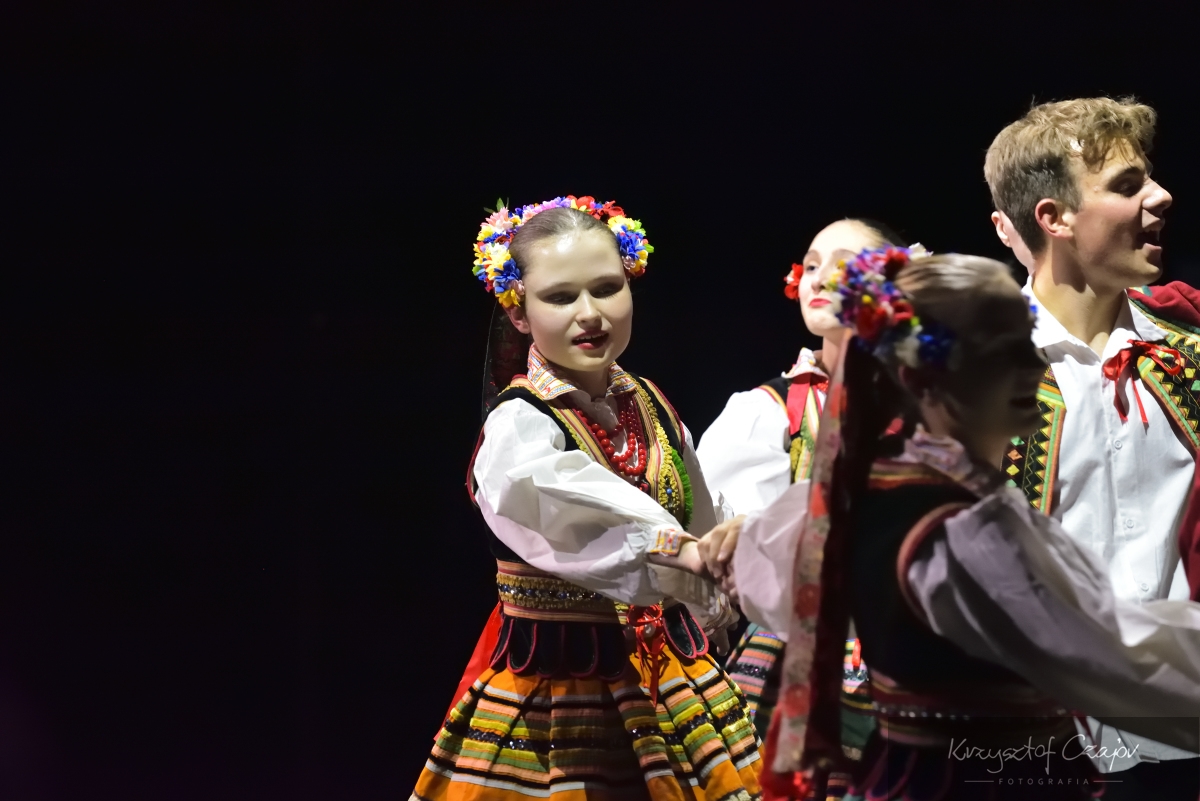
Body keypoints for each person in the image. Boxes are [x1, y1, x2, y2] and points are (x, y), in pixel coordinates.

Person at [698, 247, 1200, 799]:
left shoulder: (869, 491)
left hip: (904, 772)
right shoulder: (967, 531)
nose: (1034, 365)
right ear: (927, 379)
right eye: (1003, 352)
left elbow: (766, 568)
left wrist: (724, 544)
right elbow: (1109, 657)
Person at [412, 196, 762, 801]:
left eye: (606, 288)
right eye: (560, 297)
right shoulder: (521, 425)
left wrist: (727, 564)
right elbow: (576, 515)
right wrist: (688, 555)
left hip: (670, 674)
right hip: (558, 685)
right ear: (518, 312)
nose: (590, 314)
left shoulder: (650, 403)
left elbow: (704, 517)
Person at [986, 96, 1200, 797]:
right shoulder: (971, 373)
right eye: (1127, 184)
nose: (1161, 196)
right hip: (1040, 749)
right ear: (1055, 218)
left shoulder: (1189, 347)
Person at [696, 219, 912, 758]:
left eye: (843, 265)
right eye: (812, 265)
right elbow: (732, 551)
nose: (820, 278)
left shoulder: (934, 407)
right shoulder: (771, 410)